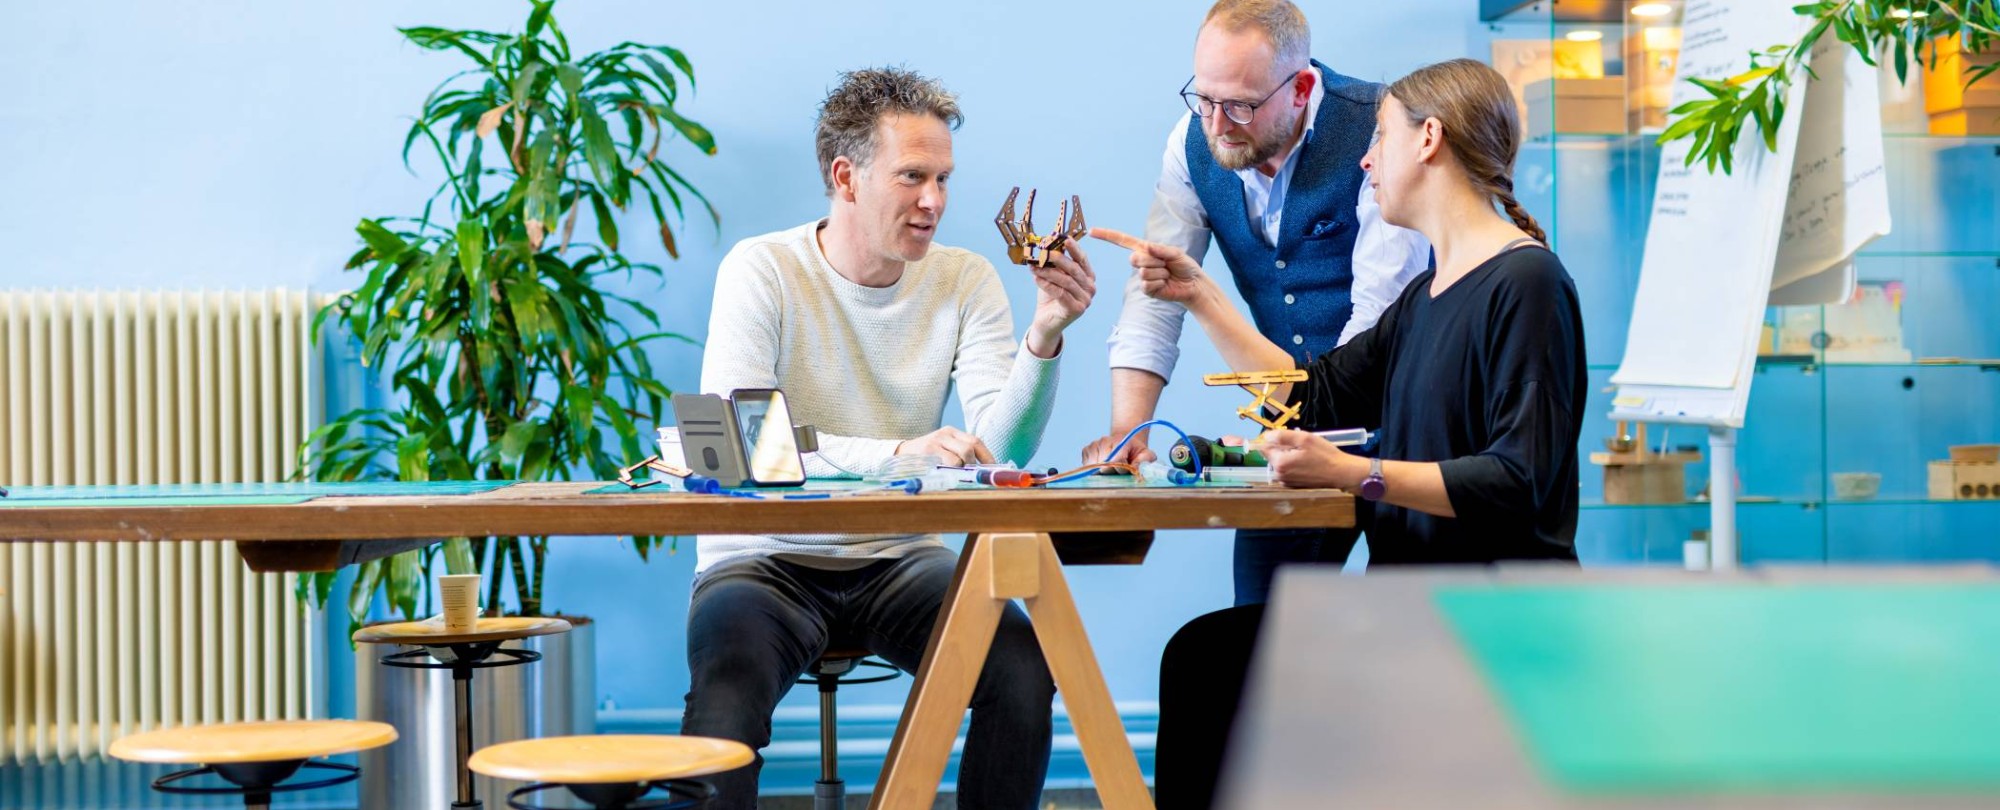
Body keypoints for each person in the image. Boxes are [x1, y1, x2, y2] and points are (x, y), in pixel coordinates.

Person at [1096, 57, 1587, 809]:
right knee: (1204, 659)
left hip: (1488, 629)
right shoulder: (1426, 296)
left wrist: (1355, 473)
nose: (1364, 158)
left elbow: (1519, 481)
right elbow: (1313, 396)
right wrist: (1201, 297)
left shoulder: (1528, 285)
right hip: (1411, 616)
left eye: (1379, 138)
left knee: (1214, 667)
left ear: (1429, 140)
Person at [684, 66, 1098, 809]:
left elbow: (999, 453)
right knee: (722, 710)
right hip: (763, 560)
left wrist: (1043, 337)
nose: (934, 201)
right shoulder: (763, 270)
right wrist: (897, 453)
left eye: (942, 177)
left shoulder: (965, 281)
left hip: (900, 560)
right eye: (913, 177)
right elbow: (752, 446)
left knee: (1021, 670)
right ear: (846, 177)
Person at [1083, 0, 1431, 606]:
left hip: (1406, 428)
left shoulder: (1379, 129)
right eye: (1204, 98)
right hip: (1292, 430)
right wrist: (1125, 431)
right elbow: (1156, 295)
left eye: (1241, 105)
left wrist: (1318, 418)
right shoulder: (1191, 145)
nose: (1217, 123)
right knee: (1259, 637)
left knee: (1411, 641)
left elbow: (1380, 319)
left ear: (1299, 88)